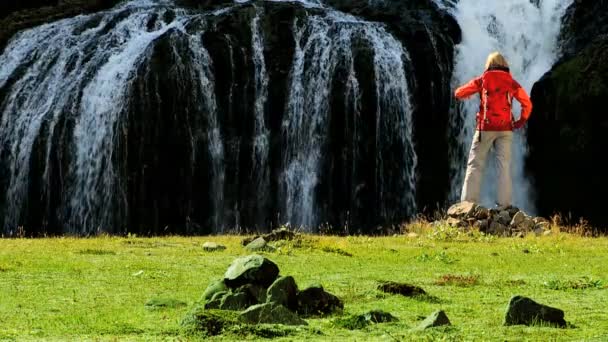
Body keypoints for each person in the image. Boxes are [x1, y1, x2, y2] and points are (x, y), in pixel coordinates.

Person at [454, 52, 532, 207]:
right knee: (504, 167)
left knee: (475, 164)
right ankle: (504, 204)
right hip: (506, 129)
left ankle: (468, 203)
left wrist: (466, 95)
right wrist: (520, 121)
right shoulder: (511, 82)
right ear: (505, 65)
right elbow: (527, 103)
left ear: (489, 64)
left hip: (485, 128)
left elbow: (459, 93)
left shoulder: (482, 80)